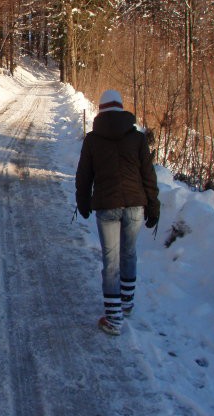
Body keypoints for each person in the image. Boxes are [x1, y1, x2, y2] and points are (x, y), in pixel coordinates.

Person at [75, 89, 160, 336]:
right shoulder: (138, 138)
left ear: (100, 110)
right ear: (122, 108)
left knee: (111, 261)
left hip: (107, 206)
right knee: (130, 253)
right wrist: (154, 205)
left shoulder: (92, 139)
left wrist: (83, 202)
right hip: (135, 204)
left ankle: (113, 319)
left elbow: (84, 176)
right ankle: (127, 304)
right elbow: (148, 176)